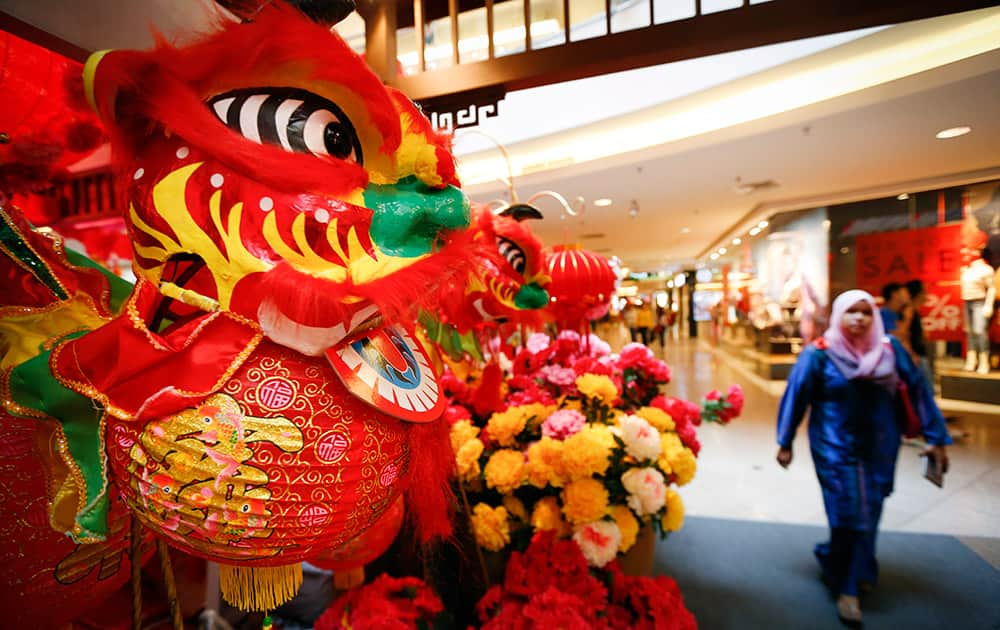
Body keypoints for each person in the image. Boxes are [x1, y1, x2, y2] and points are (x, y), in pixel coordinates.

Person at [776, 290, 951, 626]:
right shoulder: (820, 355)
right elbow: (797, 395)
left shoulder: (889, 350)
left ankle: (840, 563)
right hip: (833, 446)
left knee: (869, 510)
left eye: (865, 312)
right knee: (847, 511)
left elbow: (918, 391)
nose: (858, 319)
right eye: (851, 312)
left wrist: (936, 437)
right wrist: (786, 440)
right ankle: (850, 588)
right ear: (838, 316)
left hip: (880, 447)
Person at [900, 279, 933, 386]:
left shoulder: (913, 310)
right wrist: (912, 354)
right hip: (916, 356)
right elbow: (903, 334)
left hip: (918, 354)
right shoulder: (909, 311)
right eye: (924, 291)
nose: (926, 295)